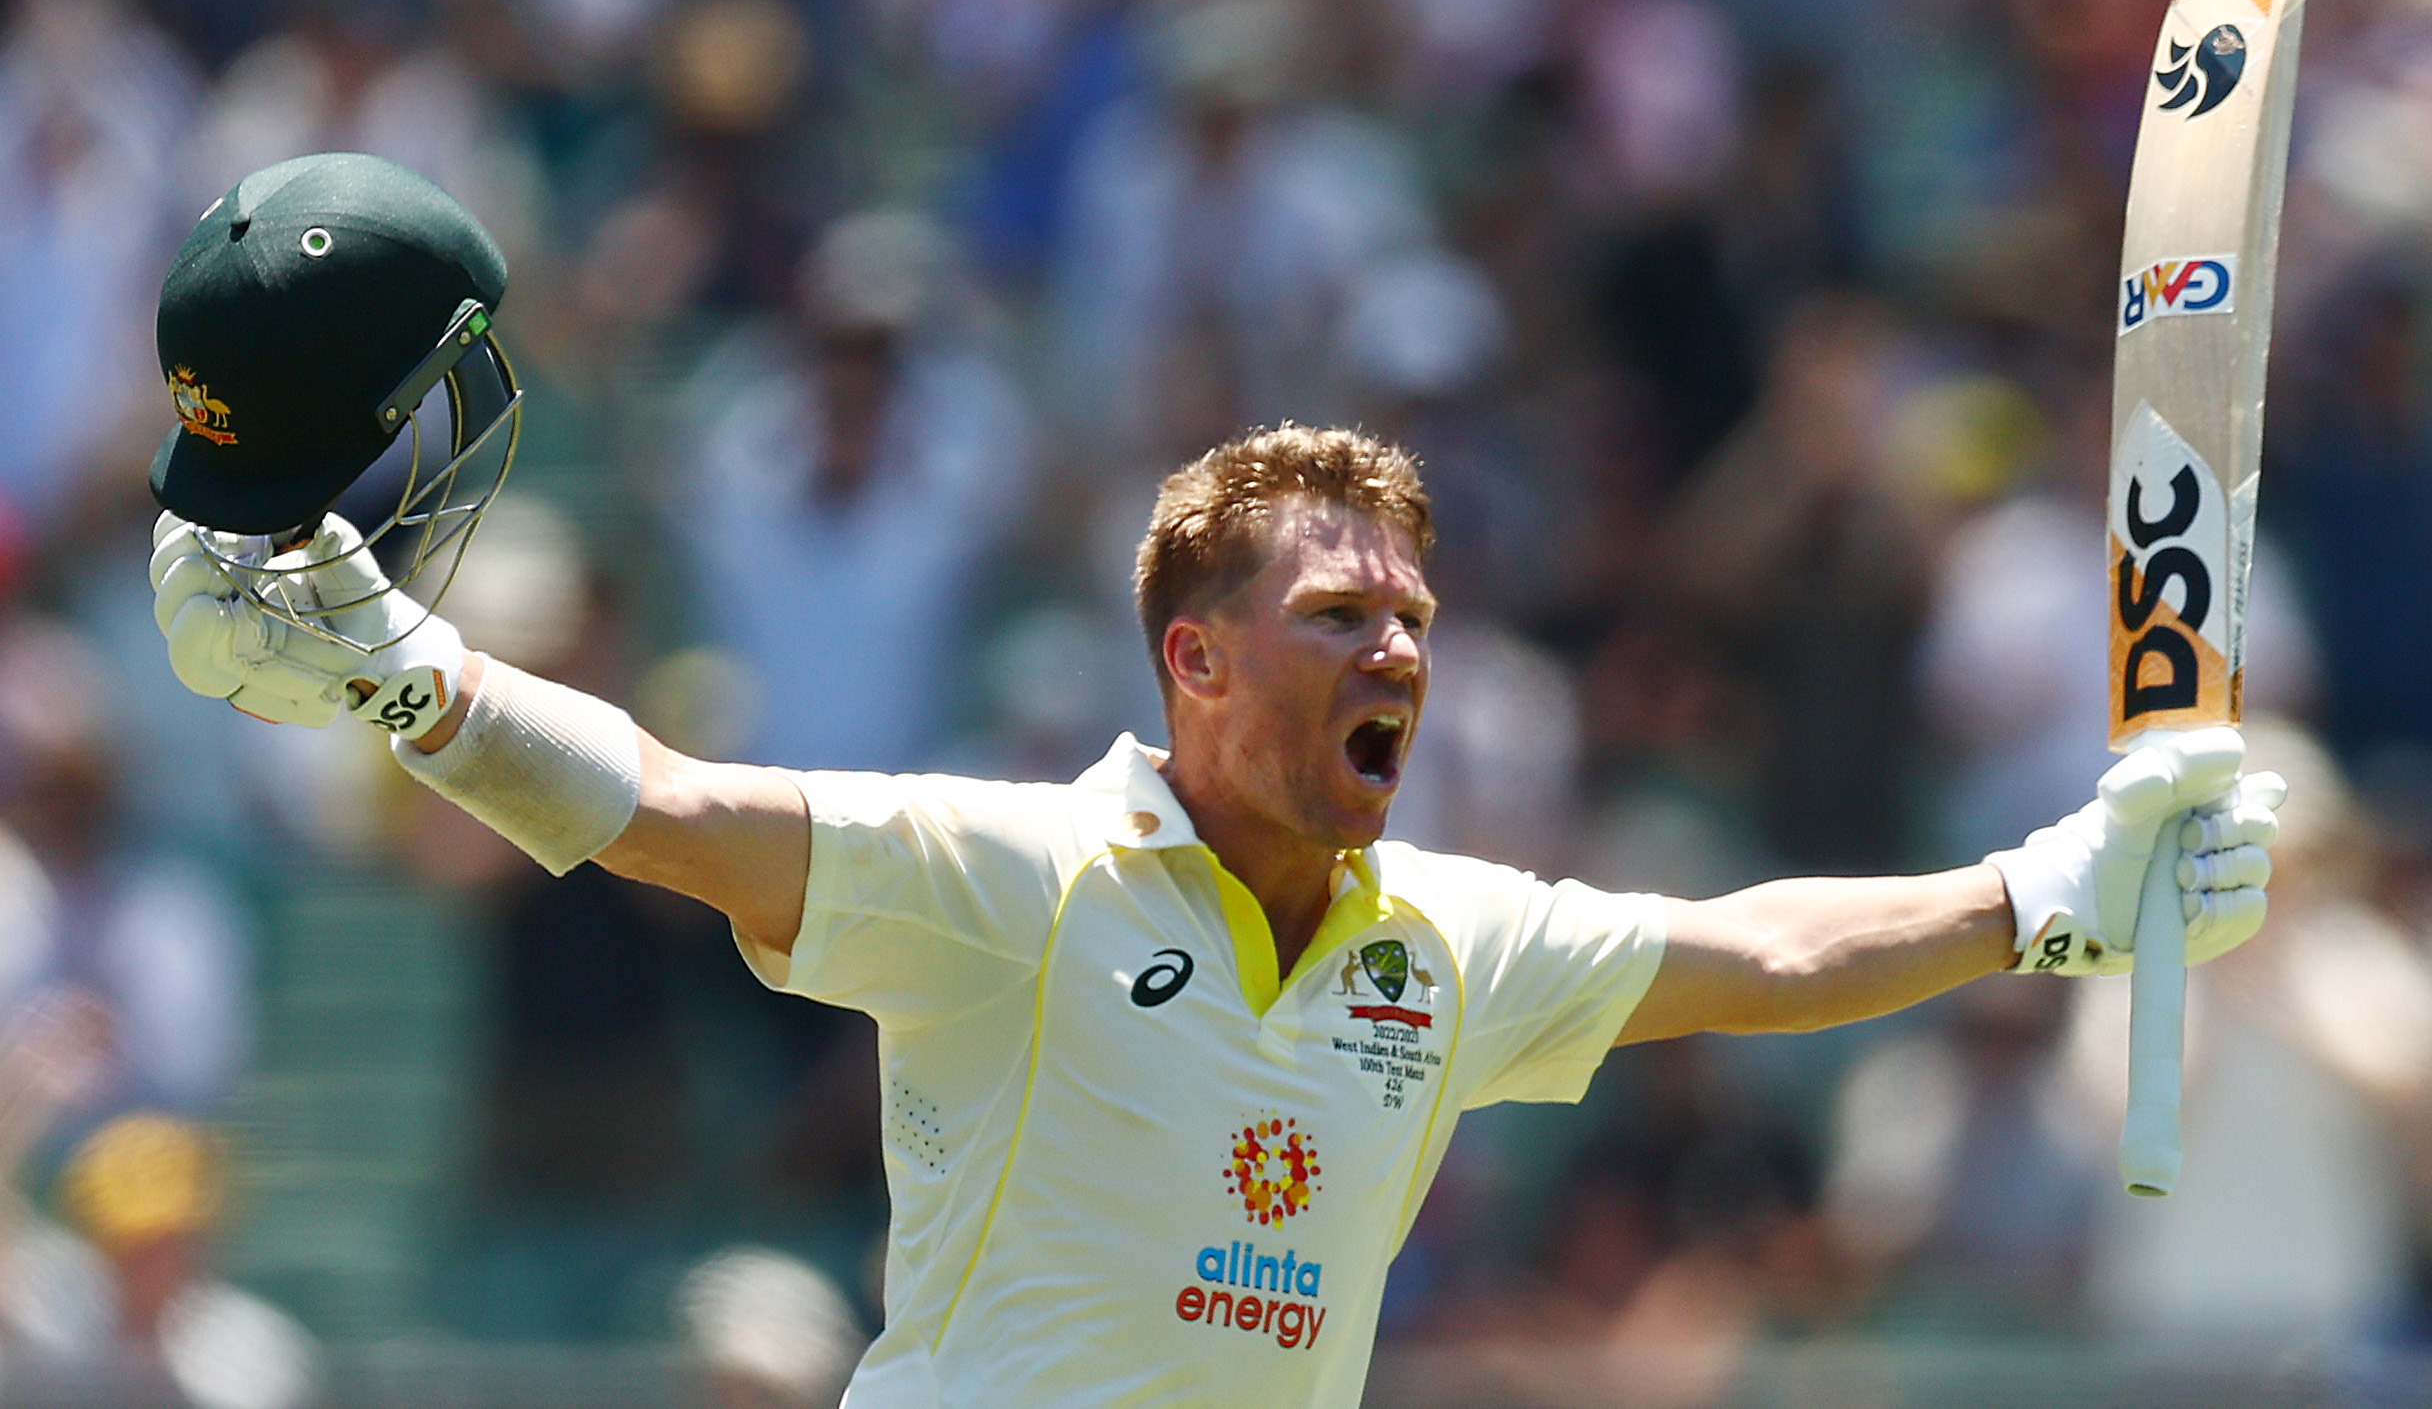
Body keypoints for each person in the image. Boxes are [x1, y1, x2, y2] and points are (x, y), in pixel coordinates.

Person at [140, 161, 2281, 1408]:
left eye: (1415, 617)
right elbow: (661, 806)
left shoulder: (1442, 949)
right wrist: (415, 683)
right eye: (1342, 614)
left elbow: (1762, 948)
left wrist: (2048, 885)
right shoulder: (1019, 881)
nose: (1400, 649)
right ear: (1193, 657)